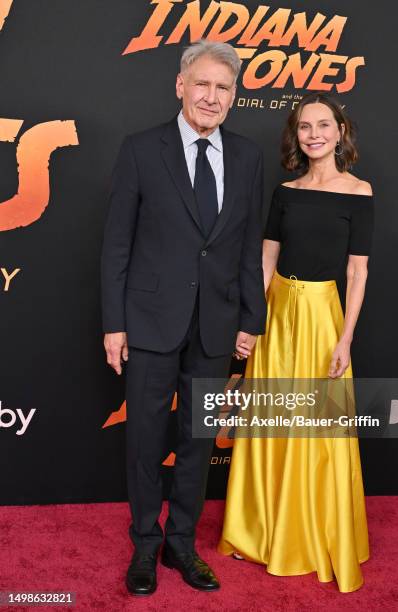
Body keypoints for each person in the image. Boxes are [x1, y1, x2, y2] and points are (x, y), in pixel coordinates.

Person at [101, 40, 267, 595]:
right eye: (202, 84)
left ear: (234, 96)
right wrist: (113, 324)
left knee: (198, 440)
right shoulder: (141, 150)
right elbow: (116, 246)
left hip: (217, 326)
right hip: (148, 321)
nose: (211, 96)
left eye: (223, 88)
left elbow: (247, 248)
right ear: (180, 85)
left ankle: (181, 546)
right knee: (147, 439)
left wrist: (251, 318)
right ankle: (145, 546)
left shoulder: (247, 157)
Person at [218, 91, 374, 593]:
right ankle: (263, 532)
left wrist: (346, 337)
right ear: (296, 135)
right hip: (278, 317)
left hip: (323, 318)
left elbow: (357, 272)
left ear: (340, 131)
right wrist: (250, 322)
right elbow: (265, 261)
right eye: (305, 126)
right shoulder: (285, 191)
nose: (314, 134)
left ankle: (311, 535)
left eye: (323, 125)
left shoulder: (359, 191)